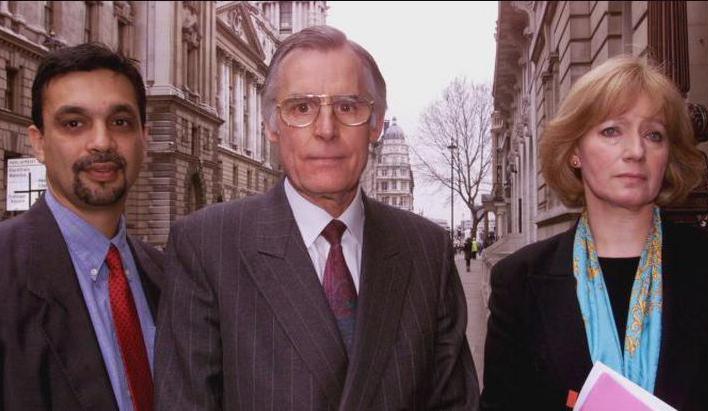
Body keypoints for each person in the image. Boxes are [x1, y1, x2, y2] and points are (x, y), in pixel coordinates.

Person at [154, 26, 479, 410]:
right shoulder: (206, 247)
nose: (326, 130)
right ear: (272, 126)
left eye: (347, 107)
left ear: (375, 124)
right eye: (302, 108)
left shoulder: (427, 250)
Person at [480, 55, 708, 410]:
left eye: (654, 135)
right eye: (612, 131)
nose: (636, 151)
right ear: (575, 153)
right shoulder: (519, 281)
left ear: (668, 155)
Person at [0, 43, 164, 410]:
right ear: (38, 143)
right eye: (74, 124)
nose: (102, 142)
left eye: (120, 122)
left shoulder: (167, 276)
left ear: (144, 139)